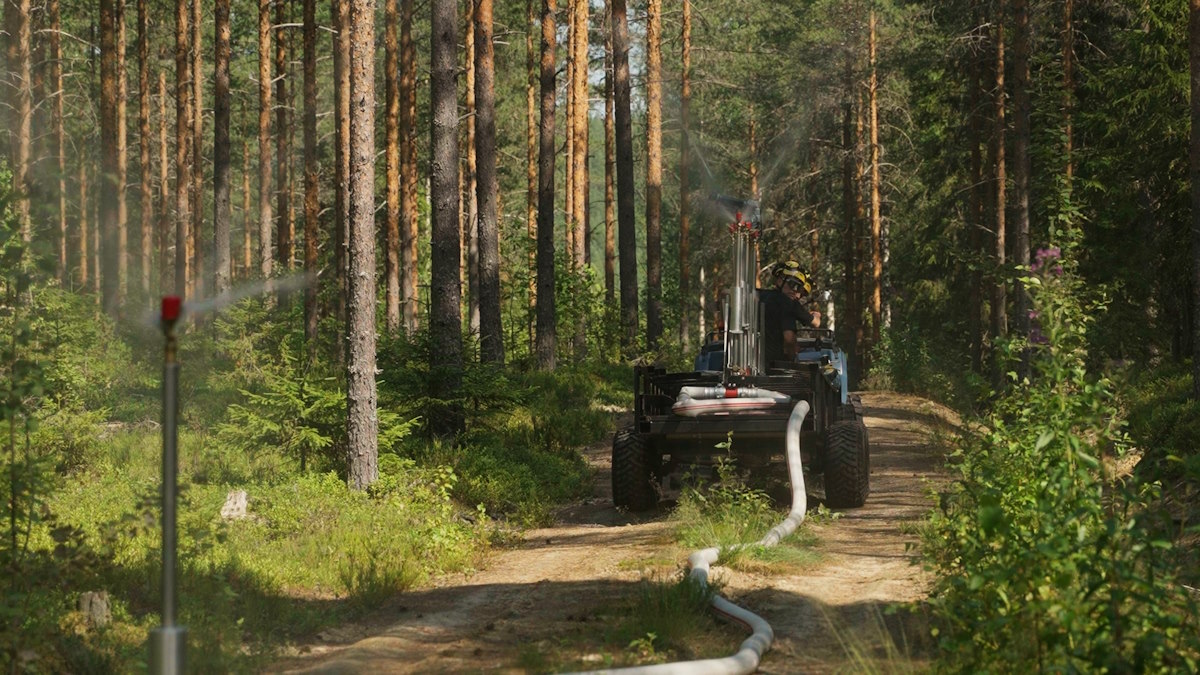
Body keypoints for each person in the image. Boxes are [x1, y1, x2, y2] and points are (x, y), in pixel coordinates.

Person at [760, 261, 821, 364]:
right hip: (773, 365)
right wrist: (792, 357)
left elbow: (726, 292)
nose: (796, 292)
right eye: (792, 284)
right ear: (779, 281)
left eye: (799, 289)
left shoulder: (760, 295)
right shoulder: (788, 304)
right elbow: (789, 338)